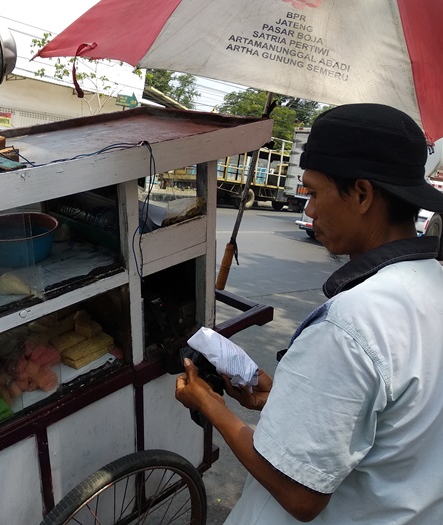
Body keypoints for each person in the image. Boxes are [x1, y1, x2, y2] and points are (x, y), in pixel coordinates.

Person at [176, 103, 443, 524]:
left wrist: (209, 404)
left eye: (315, 192)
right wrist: (279, 396)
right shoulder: (431, 285)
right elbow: (384, 423)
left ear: (361, 194)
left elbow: (299, 493)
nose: (310, 210)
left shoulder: (353, 322)